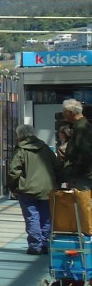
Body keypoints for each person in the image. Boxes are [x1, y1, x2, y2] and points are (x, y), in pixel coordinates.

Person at [7, 123, 61, 254]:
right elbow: (57, 167)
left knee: (32, 216)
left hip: (27, 190)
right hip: (48, 189)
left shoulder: (21, 149)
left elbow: (14, 171)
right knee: (46, 216)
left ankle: (35, 246)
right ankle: (46, 244)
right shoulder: (45, 148)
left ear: (20, 136)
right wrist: (57, 184)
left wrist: (13, 187)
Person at [59, 99, 92, 235]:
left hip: (82, 175)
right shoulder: (82, 126)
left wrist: (73, 170)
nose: (63, 114)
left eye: (65, 111)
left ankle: (87, 232)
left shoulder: (82, 128)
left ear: (71, 112)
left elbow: (84, 153)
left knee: (83, 204)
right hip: (84, 173)